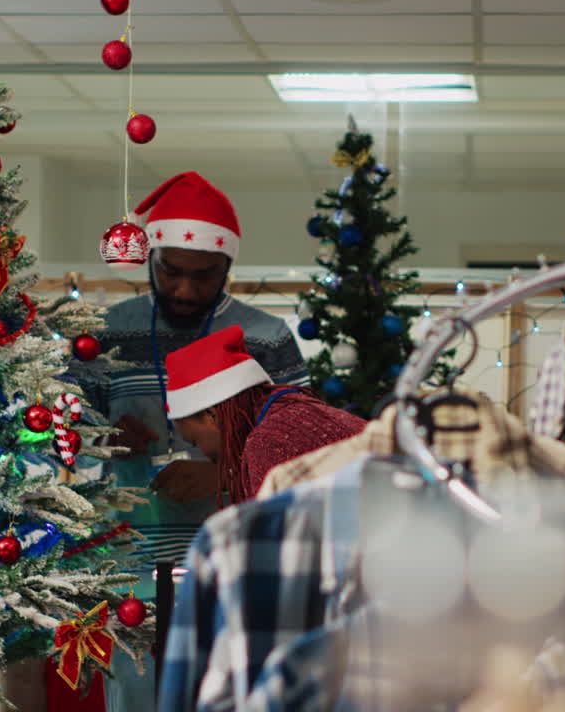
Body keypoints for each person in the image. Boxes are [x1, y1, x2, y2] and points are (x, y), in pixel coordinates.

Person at [79, 171, 306, 711]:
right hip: (131, 560)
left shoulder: (268, 338)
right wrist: (97, 438)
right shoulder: (105, 330)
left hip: (234, 559)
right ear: (151, 258)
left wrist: (225, 470)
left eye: (204, 277)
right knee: (136, 696)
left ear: (229, 267)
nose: (185, 290)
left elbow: (302, 452)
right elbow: (53, 432)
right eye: (171, 272)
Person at [165, 326, 366, 503]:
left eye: (195, 441)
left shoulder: (269, 441)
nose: (205, 455)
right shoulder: (298, 411)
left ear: (212, 415)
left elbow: (282, 539)